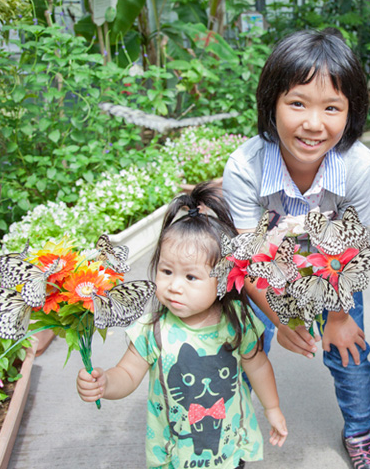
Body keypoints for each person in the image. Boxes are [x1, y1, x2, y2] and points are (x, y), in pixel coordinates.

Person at [222, 29, 370, 469]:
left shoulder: (358, 165)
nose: (314, 124)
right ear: (271, 103)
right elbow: (245, 259)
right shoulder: (245, 166)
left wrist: (337, 317)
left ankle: (361, 433)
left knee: (350, 351)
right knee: (243, 345)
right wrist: (279, 318)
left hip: (335, 272)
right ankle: (229, 434)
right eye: (297, 103)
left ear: (350, 113)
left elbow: (353, 251)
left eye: (332, 107)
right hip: (265, 273)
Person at [76, 182, 288, 469]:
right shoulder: (153, 329)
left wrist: (272, 408)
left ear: (223, 278)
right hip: (174, 452)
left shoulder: (235, 321)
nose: (174, 286)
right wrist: (105, 384)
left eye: (191, 277)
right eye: (166, 271)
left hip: (229, 448)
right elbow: (127, 373)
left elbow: (257, 365)